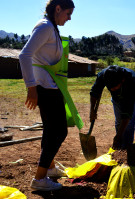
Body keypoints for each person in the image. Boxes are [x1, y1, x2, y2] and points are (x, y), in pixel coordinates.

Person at [19, 0, 82, 191]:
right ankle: (39, 179)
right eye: (68, 13)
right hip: (45, 88)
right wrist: (31, 88)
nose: (69, 18)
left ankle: (50, 168)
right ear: (57, 9)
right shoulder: (46, 27)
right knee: (59, 131)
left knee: (50, 130)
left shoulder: (51, 27)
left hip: (50, 87)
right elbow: (24, 55)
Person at [90, 65, 135, 150]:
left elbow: (127, 115)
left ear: (122, 80)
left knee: (129, 123)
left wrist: (118, 136)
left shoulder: (131, 83)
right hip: (117, 98)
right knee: (119, 120)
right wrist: (92, 110)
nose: (112, 89)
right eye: (110, 88)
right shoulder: (104, 75)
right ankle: (119, 145)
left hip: (133, 95)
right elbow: (94, 93)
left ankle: (127, 147)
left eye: (115, 87)